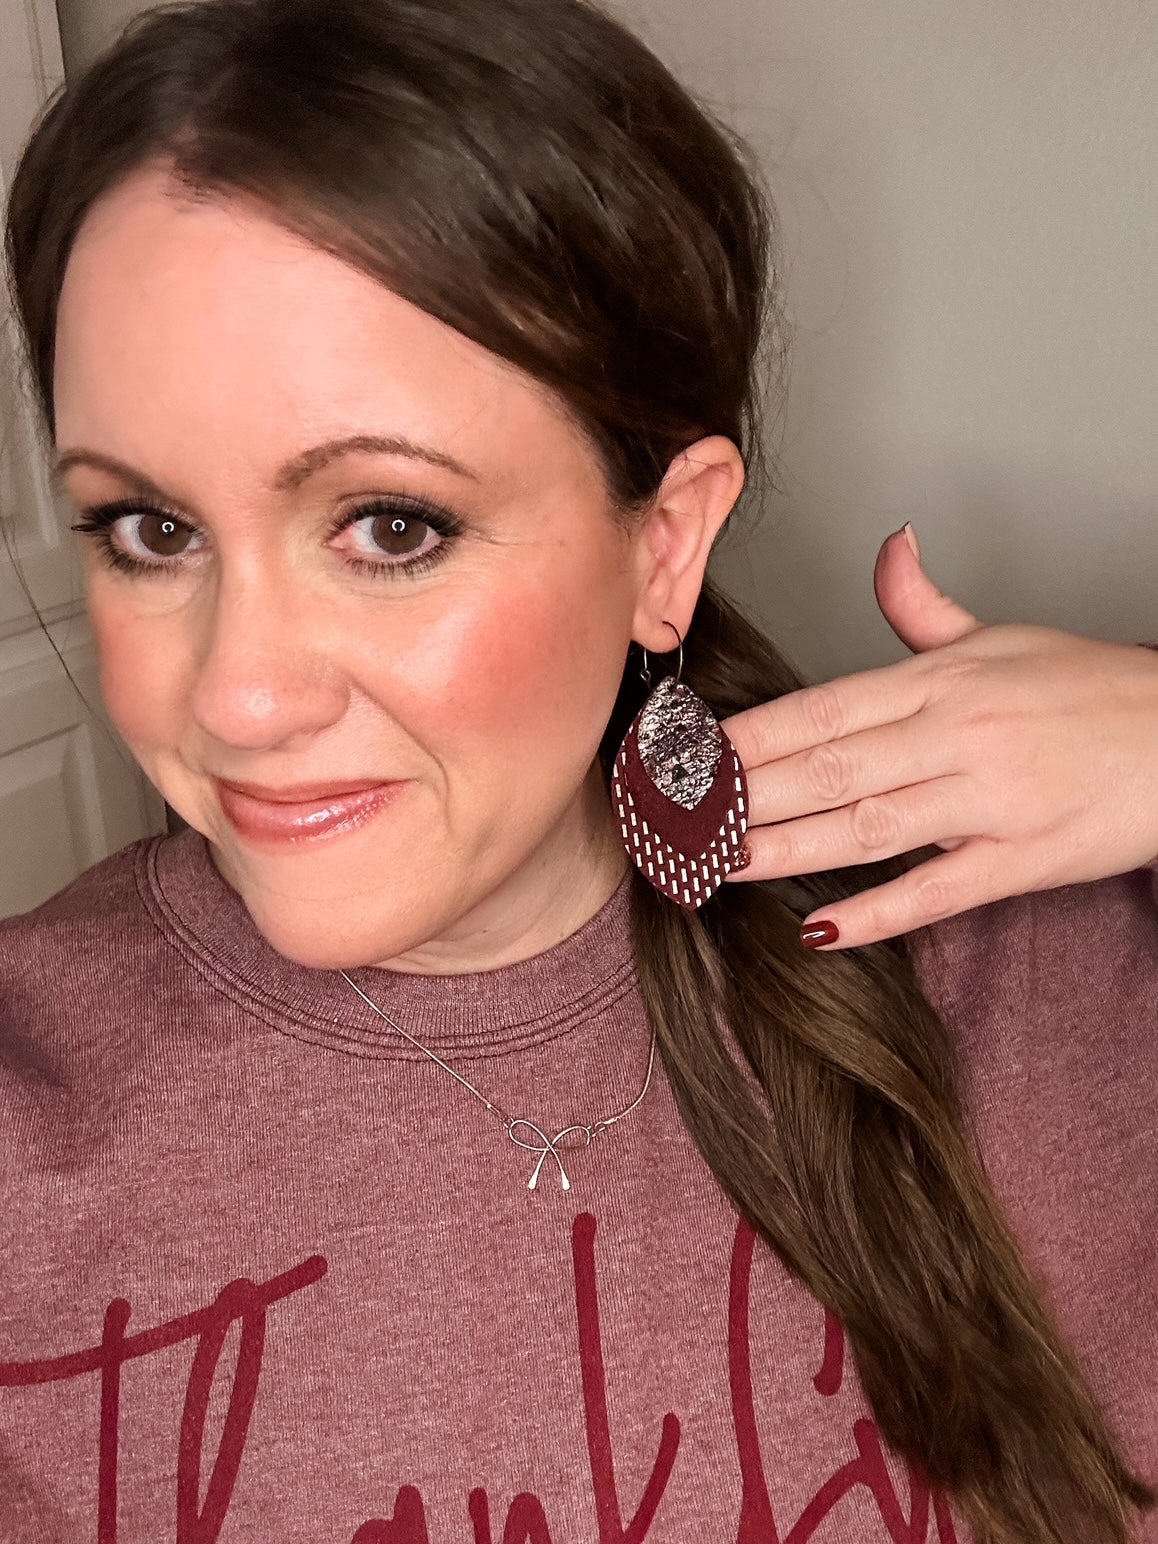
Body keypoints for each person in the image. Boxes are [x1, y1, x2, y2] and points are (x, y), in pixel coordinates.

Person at [1, 0, 1155, 1540]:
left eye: (390, 525)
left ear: (661, 543)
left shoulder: (1037, 970)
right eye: (149, 529)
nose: (240, 694)